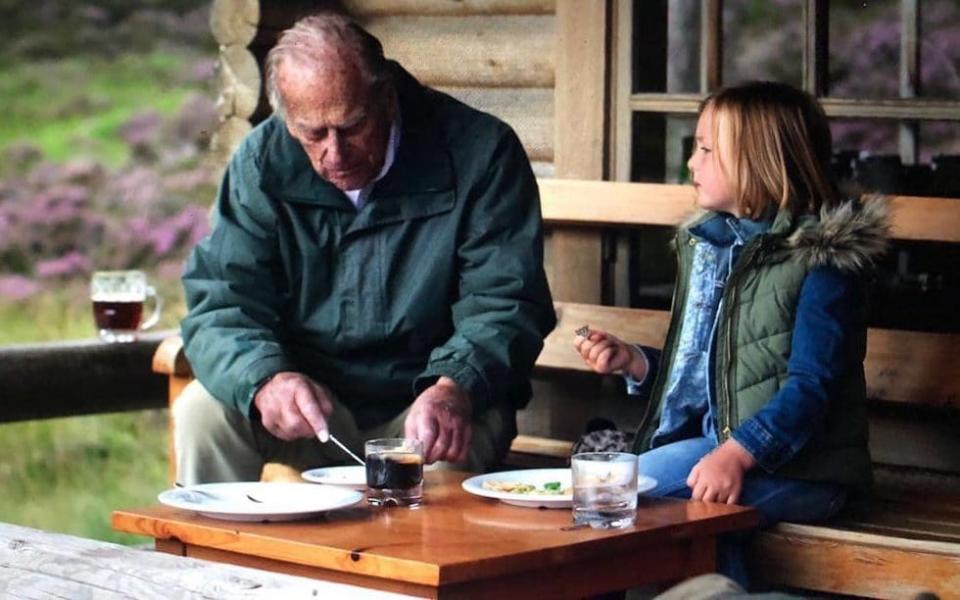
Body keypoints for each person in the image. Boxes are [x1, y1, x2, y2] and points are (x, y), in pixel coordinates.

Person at [174, 13, 555, 484]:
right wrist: (266, 379)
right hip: (313, 408)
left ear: (387, 98)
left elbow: (506, 303)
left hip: (431, 403)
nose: (335, 153)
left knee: (440, 460)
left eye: (352, 126)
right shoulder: (261, 161)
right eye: (314, 133)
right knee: (202, 413)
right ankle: (206, 558)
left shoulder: (482, 152)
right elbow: (222, 301)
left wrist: (457, 385)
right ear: (288, 118)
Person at [574, 81, 888, 587]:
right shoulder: (719, 248)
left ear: (755, 159)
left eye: (704, 149)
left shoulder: (822, 261)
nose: (691, 165)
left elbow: (813, 387)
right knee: (601, 491)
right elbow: (718, 370)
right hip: (720, 450)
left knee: (634, 502)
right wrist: (637, 362)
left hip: (806, 471)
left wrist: (737, 454)